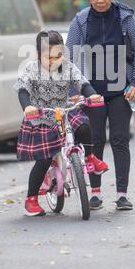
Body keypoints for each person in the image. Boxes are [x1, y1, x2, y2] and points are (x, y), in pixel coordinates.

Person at [66, 0, 135, 211]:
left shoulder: (125, 18)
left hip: (121, 89)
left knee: (120, 139)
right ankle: (95, 192)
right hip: (92, 90)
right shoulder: (80, 21)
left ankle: (122, 194)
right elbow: (71, 54)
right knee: (94, 140)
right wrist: (78, 88)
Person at [16, 30, 108, 217]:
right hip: (41, 116)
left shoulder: (68, 67)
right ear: (38, 54)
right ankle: (31, 200)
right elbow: (23, 90)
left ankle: (90, 158)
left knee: (83, 125)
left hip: (64, 111)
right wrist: (27, 107)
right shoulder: (31, 69)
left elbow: (83, 83)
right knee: (44, 160)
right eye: (47, 57)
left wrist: (92, 95)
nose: (53, 61)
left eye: (58, 56)